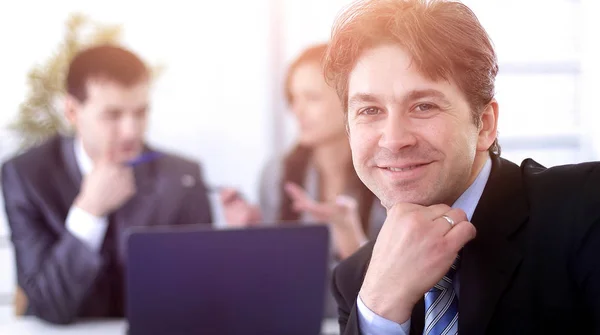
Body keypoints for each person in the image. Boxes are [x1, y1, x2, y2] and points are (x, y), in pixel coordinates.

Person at [322, 0, 600, 334]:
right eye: (369, 111)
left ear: (484, 124)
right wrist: (379, 310)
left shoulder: (586, 206)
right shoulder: (356, 281)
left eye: (423, 106)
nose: (394, 140)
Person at [1, 45, 213, 324]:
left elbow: (203, 295)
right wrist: (89, 212)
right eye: (113, 115)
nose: (131, 131)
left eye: (140, 113)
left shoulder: (182, 177)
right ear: (72, 112)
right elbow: (48, 305)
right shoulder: (27, 176)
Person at [219, 43, 386, 317]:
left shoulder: (390, 171)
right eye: (293, 99)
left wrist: (351, 241)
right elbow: (267, 285)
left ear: (352, 99)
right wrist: (248, 239)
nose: (297, 111)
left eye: (312, 98)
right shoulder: (277, 174)